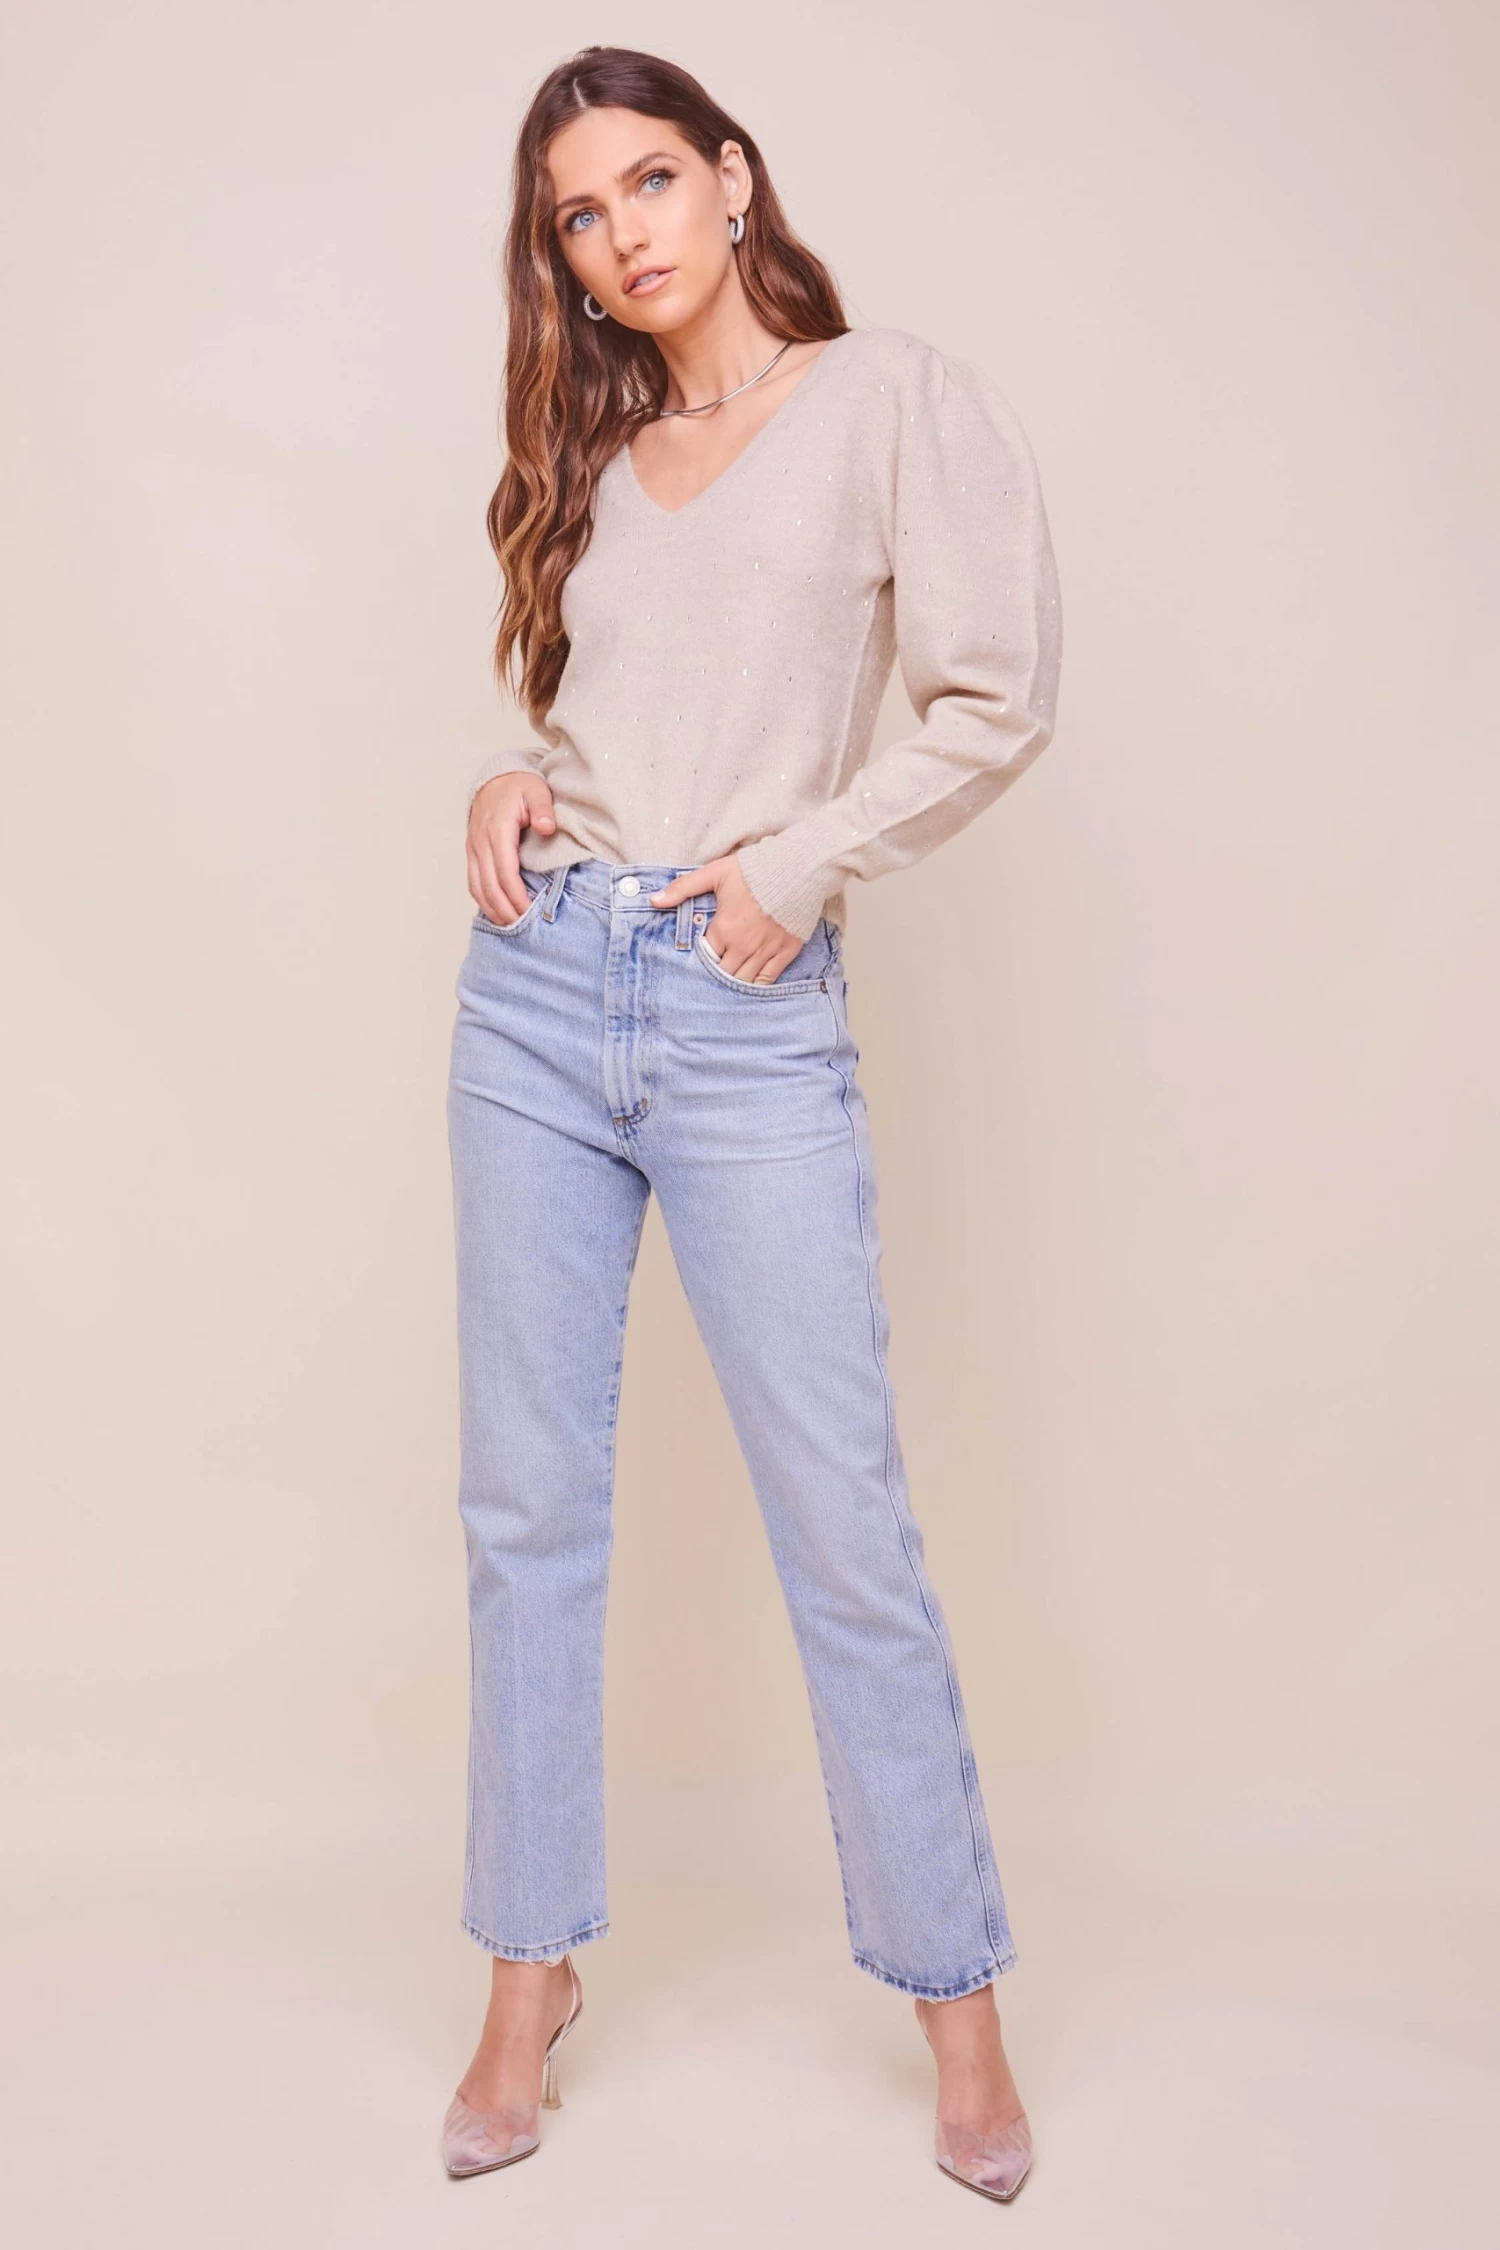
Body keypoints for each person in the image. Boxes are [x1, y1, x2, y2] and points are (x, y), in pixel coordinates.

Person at [440, 45, 1062, 2204]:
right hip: (538, 990)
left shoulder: (890, 402)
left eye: (644, 181)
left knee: (843, 1526)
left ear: (731, 175)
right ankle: (524, 1978)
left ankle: (960, 2011)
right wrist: (506, 779)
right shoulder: (598, 460)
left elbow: (997, 694)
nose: (617, 234)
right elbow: (599, 724)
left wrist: (798, 867)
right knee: (527, 1512)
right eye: (575, 216)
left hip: (739, 1004)